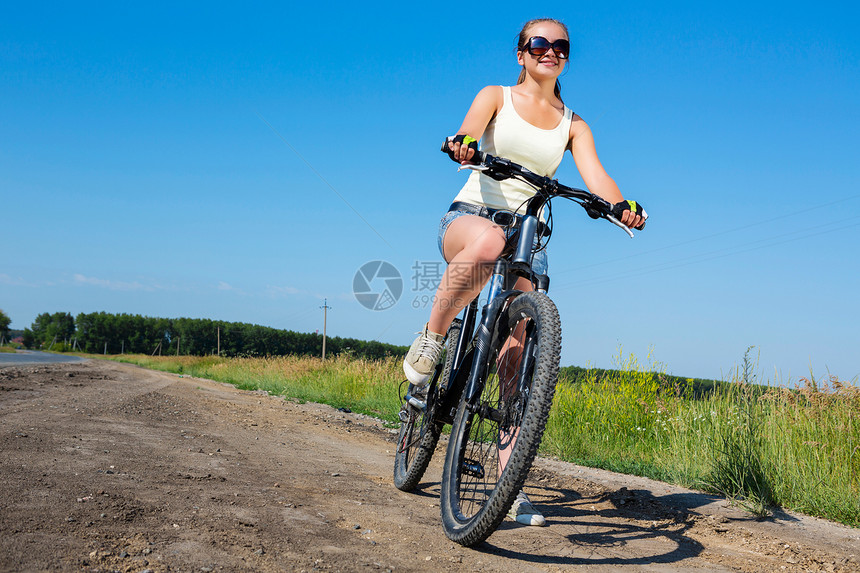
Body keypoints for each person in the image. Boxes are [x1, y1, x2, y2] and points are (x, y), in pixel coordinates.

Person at [403, 18, 647, 526]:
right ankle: (431, 341)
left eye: (561, 46)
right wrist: (465, 145)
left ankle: (509, 484)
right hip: (470, 218)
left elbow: (595, 174)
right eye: (540, 43)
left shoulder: (574, 124)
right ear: (521, 53)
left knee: (517, 361)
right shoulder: (495, 95)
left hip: (528, 233)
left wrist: (620, 204)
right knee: (490, 241)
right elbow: (469, 130)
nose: (550, 52)